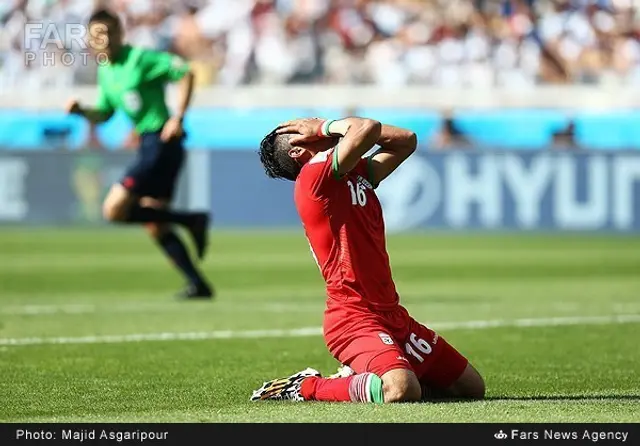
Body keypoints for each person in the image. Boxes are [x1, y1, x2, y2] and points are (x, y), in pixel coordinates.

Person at [252, 117, 485, 403]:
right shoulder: (314, 176)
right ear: (298, 150)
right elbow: (366, 128)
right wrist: (324, 127)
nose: (311, 123)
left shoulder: (356, 172)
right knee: (400, 389)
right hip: (352, 317)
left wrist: (326, 130)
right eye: (303, 128)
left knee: (471, 388)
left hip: (393, 315)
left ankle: (360, 378)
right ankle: (306, 386)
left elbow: (406, 139)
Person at [66, 9, 213, 299]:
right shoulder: (107, 70)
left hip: (162, 142)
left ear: (120, 33)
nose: (103, 41)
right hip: (149, 144)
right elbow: (106, 113)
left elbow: (185, 73)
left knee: (113, 209)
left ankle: (190, 222)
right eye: (97, 37)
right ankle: (199, 283)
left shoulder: (140, 59)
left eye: (107, 34)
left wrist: (178, 117)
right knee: (156, 223)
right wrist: (82, 111)